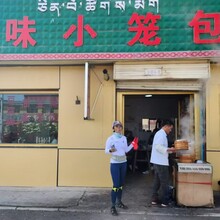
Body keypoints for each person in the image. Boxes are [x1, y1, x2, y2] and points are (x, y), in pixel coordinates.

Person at [105, 120, 138, 216]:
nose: (119, 128)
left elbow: (126, 150)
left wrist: (132, 144)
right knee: (115, 185)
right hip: (115, 164)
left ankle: (119, 202)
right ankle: (112, 206)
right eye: (117, 126)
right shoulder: (110, 139)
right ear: (113, 128)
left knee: (121, 184)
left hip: (123, 163)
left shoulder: (124, 138)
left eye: (120, 126)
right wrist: (111, 150)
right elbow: (106, 151)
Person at [150, 119, 176, 207]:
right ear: (166, 126)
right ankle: (165, 201)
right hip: (160, 162)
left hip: (158, 161)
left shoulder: (161, 134)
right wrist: (169, 149)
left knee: (157, 180)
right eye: (170, 128)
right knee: (165, 181)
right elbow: (158, 147)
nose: (170, 130)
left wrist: (170, 150)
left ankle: (154, 198)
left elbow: (162, 147)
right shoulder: (161, 134)